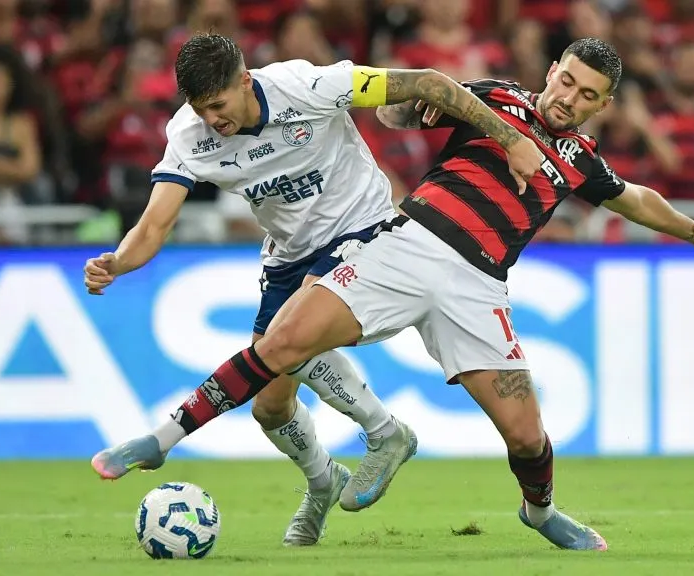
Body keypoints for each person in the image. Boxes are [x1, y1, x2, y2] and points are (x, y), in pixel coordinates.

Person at [95, 37, 694, 551]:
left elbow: (635, 199)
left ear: (603, 103)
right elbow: (403, 105)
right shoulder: (495, 99)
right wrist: (421, 113)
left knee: (528, 438)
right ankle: (162, 439)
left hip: (478, 289)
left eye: (588, 94)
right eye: (566, 81)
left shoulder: (582, 161)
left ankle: (540, 511)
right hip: (402, 246)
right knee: (281, 344)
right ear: (552, 70)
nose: (569, 97)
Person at [86, 33, 544, 546]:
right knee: (270, 407)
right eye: (199, 108)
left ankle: (384, 431)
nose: (212, 118)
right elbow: (154, 225)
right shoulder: (190, 135)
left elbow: (428, 83)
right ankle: (323, 481)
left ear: (245, 81)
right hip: (288, 252)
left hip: (364, 228)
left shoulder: (308, 86)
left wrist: (511, 138)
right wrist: (119, 262)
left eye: (218, 105)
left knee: (287, 338)